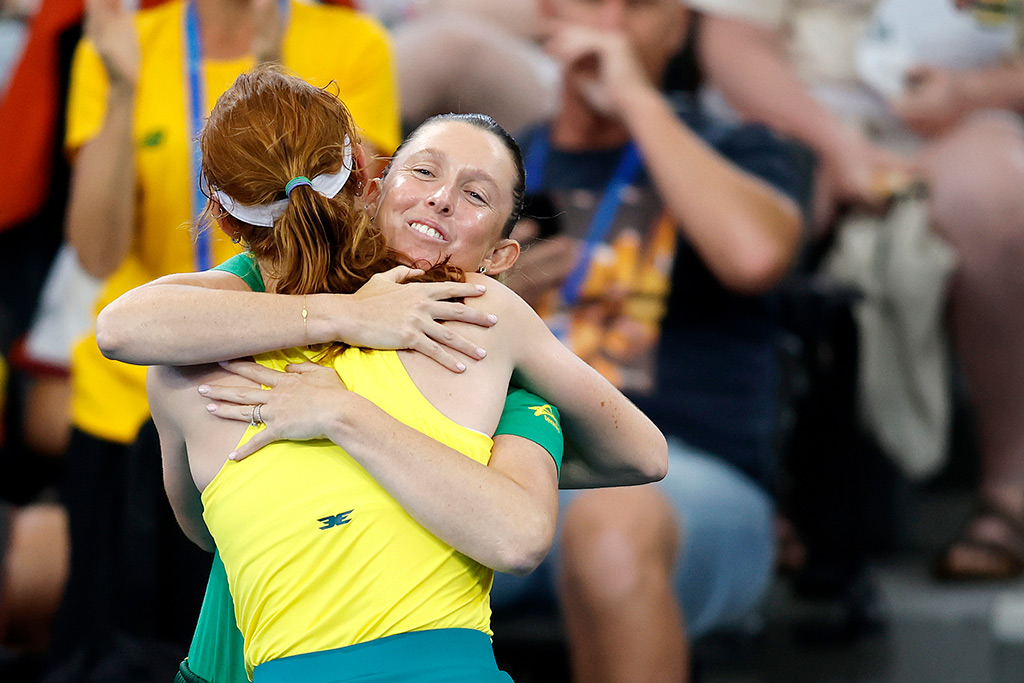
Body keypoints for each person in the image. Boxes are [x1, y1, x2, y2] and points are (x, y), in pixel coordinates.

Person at [145, 66, 666, 682]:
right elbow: (125, 328)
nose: (442, 197)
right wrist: (348, 318)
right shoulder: (243, 306)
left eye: (476, 195)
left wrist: (359, 421)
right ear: (371, 190)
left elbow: (634, 460)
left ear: (501, 257)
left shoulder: (492, 343)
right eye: (423, 171)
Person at [50, 0, 403, 673]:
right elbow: (96, 254)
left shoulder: (354, 42)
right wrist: (122, 89)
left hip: (294, 387)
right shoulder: (121, 44)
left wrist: (274, 69)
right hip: (130, 393)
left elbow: (346, 219)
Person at [484, 0, 803, 680]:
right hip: (504, 462)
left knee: (610, 523)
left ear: (679, 26)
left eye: (637, 6)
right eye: (591, 1)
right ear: (550, 11)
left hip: (680, 476)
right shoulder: (491, 163)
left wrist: (635, 99)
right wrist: (492, 296)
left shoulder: (735, 147)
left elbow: (755, 256)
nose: (610, 24)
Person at [691, 0, 1024, 581]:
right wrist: (838, 145)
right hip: (796, 115)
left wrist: (973, 92)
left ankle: (1011, 491)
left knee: (995, 196)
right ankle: (739, 479)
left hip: (967, 120)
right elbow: (731, 42)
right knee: (758, 209)